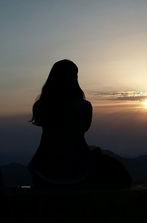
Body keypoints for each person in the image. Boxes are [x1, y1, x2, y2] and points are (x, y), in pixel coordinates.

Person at [28, 59, 131, 188]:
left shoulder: (40, 106)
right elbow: (83, 128)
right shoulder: (85, 106)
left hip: (43, 169)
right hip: (78, 169)